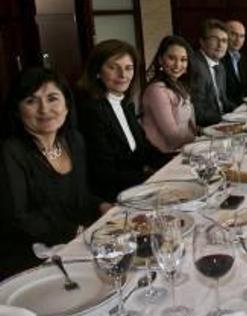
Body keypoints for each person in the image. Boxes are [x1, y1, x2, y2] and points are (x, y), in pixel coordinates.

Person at [0, 68, 110, 276]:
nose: (44, 109)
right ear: (17, 110)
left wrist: (103, 206)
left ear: (67, 105)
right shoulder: (10, 151)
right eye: (31, 101)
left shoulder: (73, 141)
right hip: (29, 258)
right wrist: (77, 231)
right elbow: (20, 218)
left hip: (73, 245)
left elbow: (79, 196)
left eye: (52, 98)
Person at [76, 39, 160, 202]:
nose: (123, 75)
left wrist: (176, 161)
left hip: (137, 189)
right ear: (98, 71)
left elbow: (144, 148)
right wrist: (151, 178)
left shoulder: (125, 103)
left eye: (129, 68)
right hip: (113, 198)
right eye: (113, 67)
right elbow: (103, 172)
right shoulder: (91, 111)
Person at [141, 35, 198, 154]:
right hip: (164, 156)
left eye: (183, 60)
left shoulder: (180, 86)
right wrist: (199, 140)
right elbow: (172, 137)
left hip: (184, 149)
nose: (177, 65)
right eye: (172, 58)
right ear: (161, 60)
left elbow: (191, 126)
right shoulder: (157, 91)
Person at [190, 18, 236, 127]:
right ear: (202, 41)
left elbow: (223, 101)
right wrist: (226, 120)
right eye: (215, 39)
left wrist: (243, 112)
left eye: (224, 41)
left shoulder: (219, 66)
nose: (220, 45)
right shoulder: (195, 66)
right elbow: (197, 112)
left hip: (218, 122)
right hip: (204, 128)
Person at [221, 20, 247, 106]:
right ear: (224, 35)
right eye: (233, 34)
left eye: (242, 36)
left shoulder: (242, 57)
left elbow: (246, 86)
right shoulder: (219, 58)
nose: (238, 40)